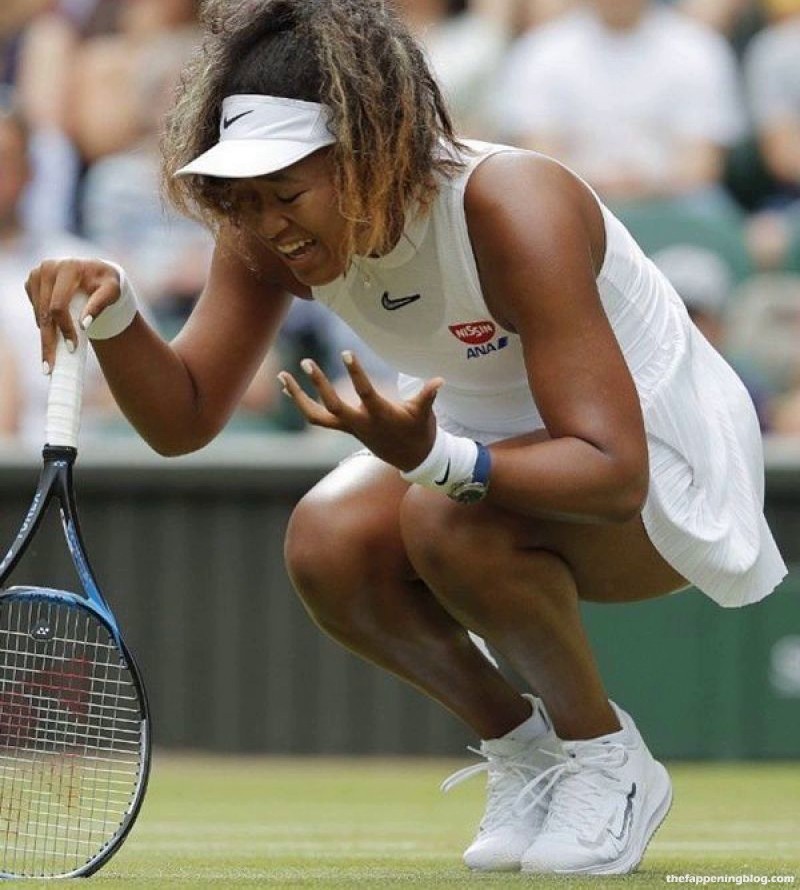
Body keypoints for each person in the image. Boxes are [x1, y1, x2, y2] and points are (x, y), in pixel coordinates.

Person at [24, 0, 786, 876]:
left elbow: (614, 473)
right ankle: (527, 750)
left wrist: (433, 460)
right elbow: (184, 418)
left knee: (442, 513)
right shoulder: (267, 235)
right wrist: (116, 309)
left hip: (664, 481)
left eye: (286, 193)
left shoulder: (514, 203)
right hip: (503, 466)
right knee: (328, 540)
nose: (267, 223)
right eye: (244, 198)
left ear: (371, 153)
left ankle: (606, 758)